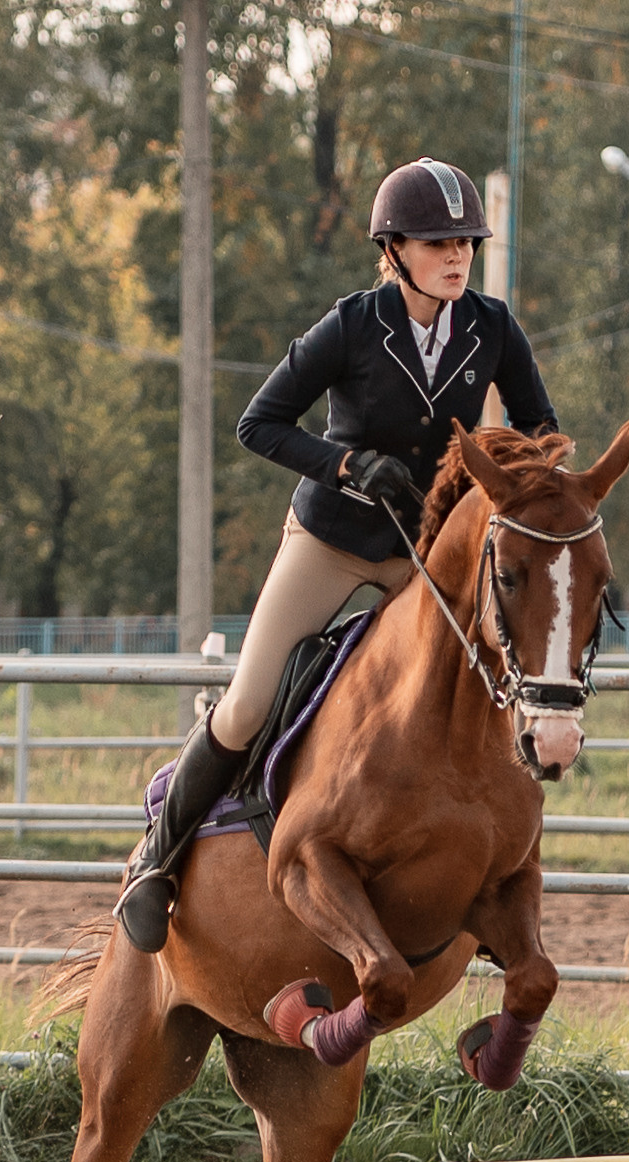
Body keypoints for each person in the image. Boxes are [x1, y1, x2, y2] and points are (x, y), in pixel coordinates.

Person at [111, 156, 562, 953]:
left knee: (481, 697)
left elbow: (538, 432)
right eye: (438, 242)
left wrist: (520, 481)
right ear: (394, 250)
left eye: (467, 241)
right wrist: (347, 464)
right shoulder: (354, 324)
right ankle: (158, 861)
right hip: (333, 539)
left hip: (424, 556)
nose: (458, 255)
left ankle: (485, 880)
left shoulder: (493, 327)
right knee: (249, 703)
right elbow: (260, 423)